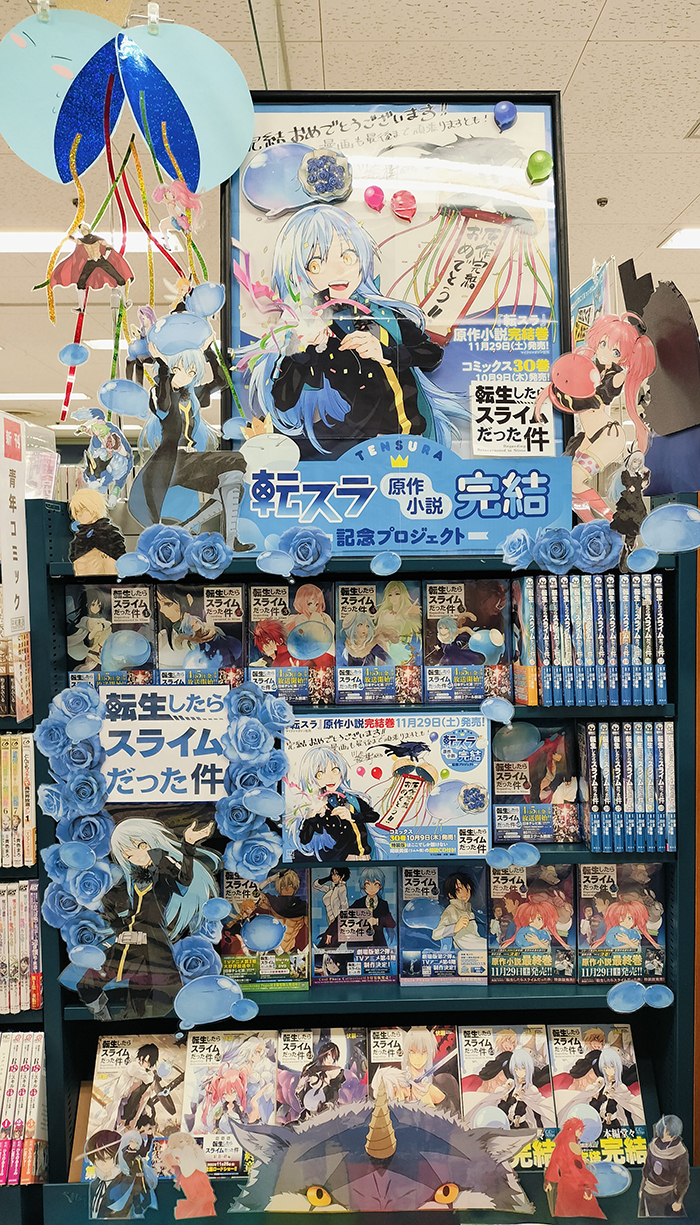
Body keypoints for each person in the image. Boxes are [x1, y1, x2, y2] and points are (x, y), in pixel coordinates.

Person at [241, 203, 468, 459]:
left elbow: (431, 355)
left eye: (347, 257)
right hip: (354, 447)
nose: (339, 271)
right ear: (298, 273)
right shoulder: (310, 324)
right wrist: (303, 351)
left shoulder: (384, 314)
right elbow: (283, 399)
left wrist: (385, 352)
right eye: (316, 264)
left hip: (413, 440)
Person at [77, 816, 219, 1021]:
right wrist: (120, 928)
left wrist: (188, 845)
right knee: (88, 984)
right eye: (126, 854)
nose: (131, 857)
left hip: (153, 944)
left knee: (157, 995)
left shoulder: (163, 877)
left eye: (135, 849)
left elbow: (184, 880)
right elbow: (108, 901)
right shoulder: (132, 879)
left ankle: (125, 1022)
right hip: (128, 943)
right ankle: (104, 1020)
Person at [293, 746, 380, 861]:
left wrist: (352, 816)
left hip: (365, 857)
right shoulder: (318, 805)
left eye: (335, 770)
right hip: (340, 859)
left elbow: (374, 816)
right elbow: (305, 839)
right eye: (320, 774)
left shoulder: (351, 798)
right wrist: (311, 816)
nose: (330, 778)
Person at [371, 1027, 459, 1115]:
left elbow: (452, 1116)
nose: (418, 1057)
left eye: (423, 1052)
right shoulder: (394, 1081)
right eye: (412, 1052)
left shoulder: (434, 1088)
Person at [544, 1117, 605, 1217]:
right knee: (590, 1212)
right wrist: (586, 1187)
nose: (581, 1132)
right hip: (576, 1186)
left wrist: (548, 1182)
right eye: (579, 1129)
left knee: (565, 1212)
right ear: (573, 1130)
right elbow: (577, 1170)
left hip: (564, 1186)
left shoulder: (560, 1147)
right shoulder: (572, 1147)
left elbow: (553, 1165)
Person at [638, 1115, 690, 1217]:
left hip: (667, 1195)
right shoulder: (653, 1144)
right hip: (648, 1191)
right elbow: (646, 1169)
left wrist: (679, 1201)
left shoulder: (680, 1152)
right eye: (661, 1132)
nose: (662, 1137)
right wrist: (642, 1188)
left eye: (667, 1134)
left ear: (674, 1135)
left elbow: (683, 1180)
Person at [68, 489, 126, 577]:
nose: (79, 514)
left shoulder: (108, 534)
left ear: (94, 508)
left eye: (83, 509)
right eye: (76, 511)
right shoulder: (79, 538)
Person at [161, 1132, 216, 1219]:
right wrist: (189, 1151)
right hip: (189, 1178)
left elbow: (201, 1167)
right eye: (181, 1141)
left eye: (187, 1141)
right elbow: (187, 1169)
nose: (185, 1143)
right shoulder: (175, 1153)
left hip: (199, 1176)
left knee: (206, 1200)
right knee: (198, 1200)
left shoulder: (192, 1150)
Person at [295, 1040, 346, 1121]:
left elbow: (335, 1091)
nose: (330, 1059)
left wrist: (329, 1104)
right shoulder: (311, 1070)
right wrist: (301, 1084)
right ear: (323, 1054)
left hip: (326, 1113)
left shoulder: (336, 1072)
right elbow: (302, 1097)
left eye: (333, 1056)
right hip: (309, 1113)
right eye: (328, 1055)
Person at [431, 871, 481, 951]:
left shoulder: (469, 911)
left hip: (473, 950)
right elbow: (435, 934)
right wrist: (455, 927)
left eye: (467, 888)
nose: (465, 893)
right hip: (468, 947)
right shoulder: (451, 910)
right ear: (450, 895)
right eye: (458, 890)